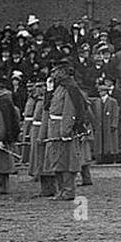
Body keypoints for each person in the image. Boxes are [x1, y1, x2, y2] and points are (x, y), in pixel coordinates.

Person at [43, 61, 87, 201]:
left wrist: (66, 131)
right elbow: (48, 107)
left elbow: (69, 110)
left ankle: (68, 191)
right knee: (57, 161)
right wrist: (49, 90)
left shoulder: (70, 88)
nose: (53, 74)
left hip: (63, 129)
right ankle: (61, 190)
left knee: (67, 161)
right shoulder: (59, 87)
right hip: (55, 128)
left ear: (63, 72)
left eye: (56, 71)